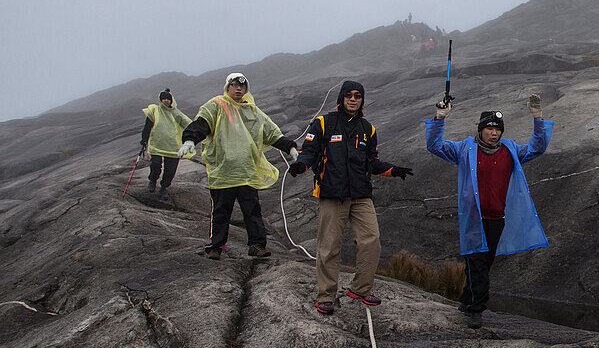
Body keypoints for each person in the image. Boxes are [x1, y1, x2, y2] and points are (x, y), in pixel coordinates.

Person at [425, 94, 552, 328]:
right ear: (481, 130)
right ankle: (476, 309)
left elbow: (538, 148)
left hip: (497, 218)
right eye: (489, 128)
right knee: (478, 263)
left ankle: (466, 298)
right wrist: (439, 118)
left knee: (484, 262)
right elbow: (434, 146)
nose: (494, 133)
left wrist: (538, 118)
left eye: (498, 129)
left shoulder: (510, 150)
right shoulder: (465, 149)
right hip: (473, 219)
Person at [289, 81, 414, 315]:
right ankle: (326, 295)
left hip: (361, 194)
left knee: (371, 241)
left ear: (362, 100)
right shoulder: (323, 123)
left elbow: (372, 162)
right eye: (349, 96)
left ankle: (360, 289)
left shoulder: (368, 129)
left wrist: (392, 170)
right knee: (329, 246)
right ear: (341, 98)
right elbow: (309, 153)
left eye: (357, 96)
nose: (353, 99)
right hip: (330, 194)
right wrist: (301, 167)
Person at [178, 72, 298, 260]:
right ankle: (216, 246)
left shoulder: (252, 110)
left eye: (242, 86)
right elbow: (202, 124)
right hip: (223, 171)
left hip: (246, 171)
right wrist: (190, 139)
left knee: (252, 211)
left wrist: (289, 146)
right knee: (220, 211)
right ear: (227, 87)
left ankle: (257, 245)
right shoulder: (216, 105)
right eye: (234, 85)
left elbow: (271, 132)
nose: (238, 88)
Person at [140, 88, 192, 200]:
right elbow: (147, 126)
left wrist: (195, 135)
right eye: (163, 98)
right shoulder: (154, 110)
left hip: (173, 146)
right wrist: (144, 139)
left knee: (170, 169)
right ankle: (152, 181)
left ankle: (164, 188)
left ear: (171, 100)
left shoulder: (176, 113)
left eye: (168, 99)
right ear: (160, 100)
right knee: (155, 164)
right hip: (157, 145)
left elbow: (189, 124)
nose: (166, 101)